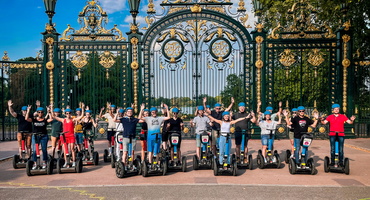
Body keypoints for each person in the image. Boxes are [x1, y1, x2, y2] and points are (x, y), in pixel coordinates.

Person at [25, 105, 50, 169]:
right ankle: (35, 163)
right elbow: (26, 119)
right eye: (39, 112)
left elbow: (51, 118)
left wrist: (50, 111)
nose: (40, 113)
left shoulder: (45, 120)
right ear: (37, 113)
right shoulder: (34, 119)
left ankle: (44, 162)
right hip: (35, 136)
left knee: (44, 150)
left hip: (44, 136)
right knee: (35, 150)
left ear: (43, 113)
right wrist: (28, 111)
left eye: (41, 112)